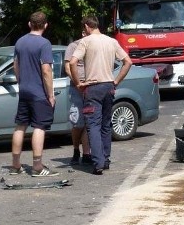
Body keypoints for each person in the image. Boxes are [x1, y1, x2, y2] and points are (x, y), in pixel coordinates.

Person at [69, 15, 132, 175]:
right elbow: (128, 62)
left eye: (84, 29)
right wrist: (116, 81)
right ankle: (106, 159)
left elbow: (72, 62)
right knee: (106, 125)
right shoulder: (111, 41)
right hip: (109, 86)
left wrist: (78, 83)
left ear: (87, 27)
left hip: (93, 87)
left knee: (93, 126)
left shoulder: (86, 41)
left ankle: (98, 163)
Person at [9, 11, 58, 176]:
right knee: (39, 127)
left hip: (24, 91)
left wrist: (20, 81)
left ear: (29, 24)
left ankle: (15, 165)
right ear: (45, 25)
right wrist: (50, 95)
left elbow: (15, 65)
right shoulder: (44, 44)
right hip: (39, 93)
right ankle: (37, 166)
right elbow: (46, 70)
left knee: (20, 125)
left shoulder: (20, 42)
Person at [64, 28, 92, 165]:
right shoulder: (73, 46)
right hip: (76, 88)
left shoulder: (93, 46)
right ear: (83, 33)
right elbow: (68, 67)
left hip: (91, 87)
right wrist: (78, 82)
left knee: (88, 122)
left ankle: (86, 154)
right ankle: (76, 149)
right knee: (78, 122)